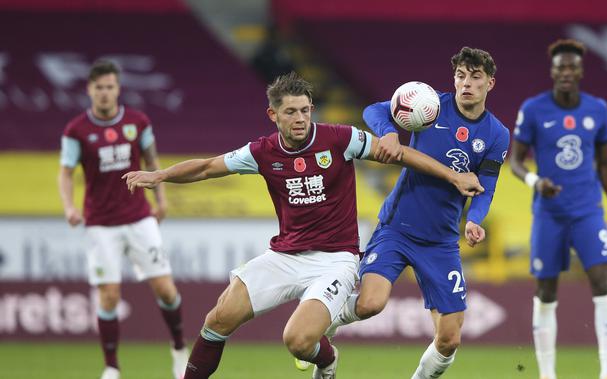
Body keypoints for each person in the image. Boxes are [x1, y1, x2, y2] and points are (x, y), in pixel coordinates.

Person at [123, 71, 484, 379]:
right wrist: (160, 175)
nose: (300, 118)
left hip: (335, 260)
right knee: (218, 318)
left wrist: (453, 177)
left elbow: (400, 154)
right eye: (291, 112)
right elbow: (206, 167)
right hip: (284, 254)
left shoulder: (341, 139)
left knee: (296, 340)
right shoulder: (261, 152)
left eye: (306, 110)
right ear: (273, 115)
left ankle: (326, 361)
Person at [319, 47, 510, 379]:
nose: (466, 83)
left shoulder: (496, 135)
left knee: (449, 338)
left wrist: (476, 219)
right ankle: (324, 326)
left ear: (490, 83)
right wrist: (390, 131)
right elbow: (373, 110)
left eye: (475, 77)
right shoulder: (431, 105)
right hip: (397, 227)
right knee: (369, 304)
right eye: (460, 76)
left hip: (441, 241)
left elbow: (486, 186)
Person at [57, 60, 188, 379]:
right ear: (89, 90)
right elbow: (65, 172)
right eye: (99, 87)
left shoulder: (137, 122)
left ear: (118, 89)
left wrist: (161, 199)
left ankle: (178, 347)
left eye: (110, 87)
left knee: (166, 291)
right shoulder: (76, 130)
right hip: (101, 223)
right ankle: (112, 367)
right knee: (109, 295)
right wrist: (69, 207)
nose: (104, 93)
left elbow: (152, 161)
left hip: (139, 218)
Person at [509, 39, 607, 379]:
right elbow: (515, 161)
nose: (565, 72)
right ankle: (547, 375)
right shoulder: (533, 109)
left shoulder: (598, 109)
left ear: (580, 71)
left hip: (587, 211)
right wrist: (536, 182)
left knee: (602, 280)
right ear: (552, 71)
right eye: (560, 67)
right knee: (546, 290)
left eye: (571, 67)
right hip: (549, 213)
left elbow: (605, 163)